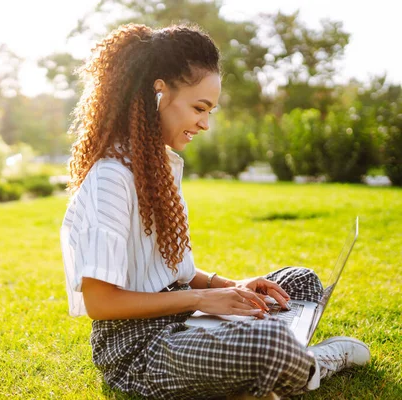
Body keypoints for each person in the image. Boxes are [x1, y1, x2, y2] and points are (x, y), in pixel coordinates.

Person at [59, 23, 370, 399]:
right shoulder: (111, 177)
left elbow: (168, 273)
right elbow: (101, 302)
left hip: (184, 319)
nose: (205, 123)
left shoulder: (158, 164)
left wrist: (231, 287)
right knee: (269, 341)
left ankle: (254, 377)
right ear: (159, 93)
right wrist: (202, 300)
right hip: (139, 350)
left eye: (210, 111)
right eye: (199, 108)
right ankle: (314, 363)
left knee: (300, 283)